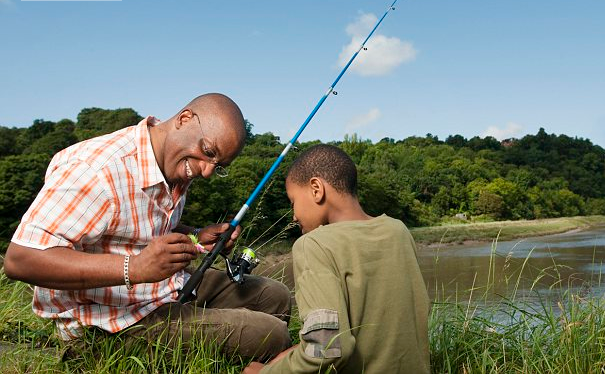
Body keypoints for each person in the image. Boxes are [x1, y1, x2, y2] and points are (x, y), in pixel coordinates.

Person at [3, 93, 291, 361]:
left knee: (275, 298)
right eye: (207, 151)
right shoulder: (95, 169)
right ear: (185, 119)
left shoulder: (174, 165)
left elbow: (141, 233)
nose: (206, 171)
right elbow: (21, 260)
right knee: (271, 334)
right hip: (104, 325)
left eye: (219, 165)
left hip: (161, 290)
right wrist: (135, 268)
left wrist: (196, 235)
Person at [244, 144, 431, 374]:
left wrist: (264, 373)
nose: (294, 215)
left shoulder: (313, 244)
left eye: (293, 202)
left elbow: (327, 350)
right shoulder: (398, 230)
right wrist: (293, 353)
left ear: (316, 189)